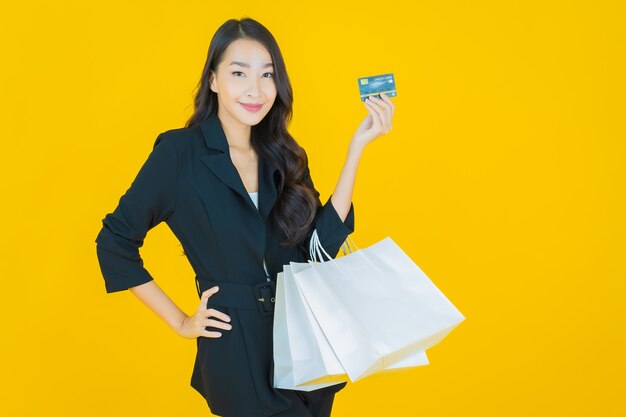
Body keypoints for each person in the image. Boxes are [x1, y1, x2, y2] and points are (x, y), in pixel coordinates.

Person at [94, 17, 395, 417]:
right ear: (213, 80)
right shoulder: (179, 155)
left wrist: (357, 148)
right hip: (238, 350)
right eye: (239, 73)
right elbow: (115, 243)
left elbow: (318, 250)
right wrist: (182, 322)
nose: (255, 89)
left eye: (267, 74)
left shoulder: (283, 154)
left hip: (306, 342)